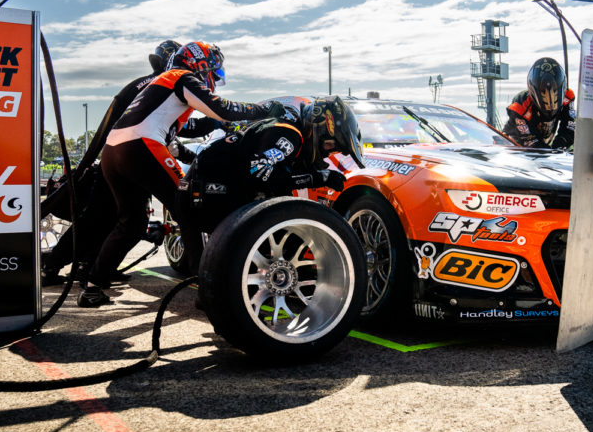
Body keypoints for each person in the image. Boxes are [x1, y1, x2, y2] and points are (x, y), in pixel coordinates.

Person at [78, 41, 283, 307]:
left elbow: (194, 125)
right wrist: (262, 111)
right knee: (190, 207)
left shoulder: (160, 84)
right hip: (140, 146)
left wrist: (221, 123)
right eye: (215, 73)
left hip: (113, 151)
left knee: (131, 222)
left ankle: (92, 287)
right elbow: (222, 107)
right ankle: (207, 291)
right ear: (201, 64)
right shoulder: (182, 77)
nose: (215, 79)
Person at [41, 39, 183, 285]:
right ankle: (53, 265)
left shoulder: (151, 87)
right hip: (124, 162)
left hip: (121, 161)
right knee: (101, 219)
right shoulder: (156, 87)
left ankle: (93, 268)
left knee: (120, 221)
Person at [176, 95, 362, 237]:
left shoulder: (289, 132)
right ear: (317, 130)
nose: (328, 152)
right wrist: (318, 178)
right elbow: (260, 175)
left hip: (209, 188)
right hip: (204, 193)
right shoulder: (289, 135)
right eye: (329, 145)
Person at [502, 57, 576, 149]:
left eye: (554, 91)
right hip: (512, 145)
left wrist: (561, 144)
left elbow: (570, 126)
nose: (549, 101)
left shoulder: (568, 97)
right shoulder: (521, 105)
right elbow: (529, 140)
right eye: (543, 92)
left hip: (542, 142)